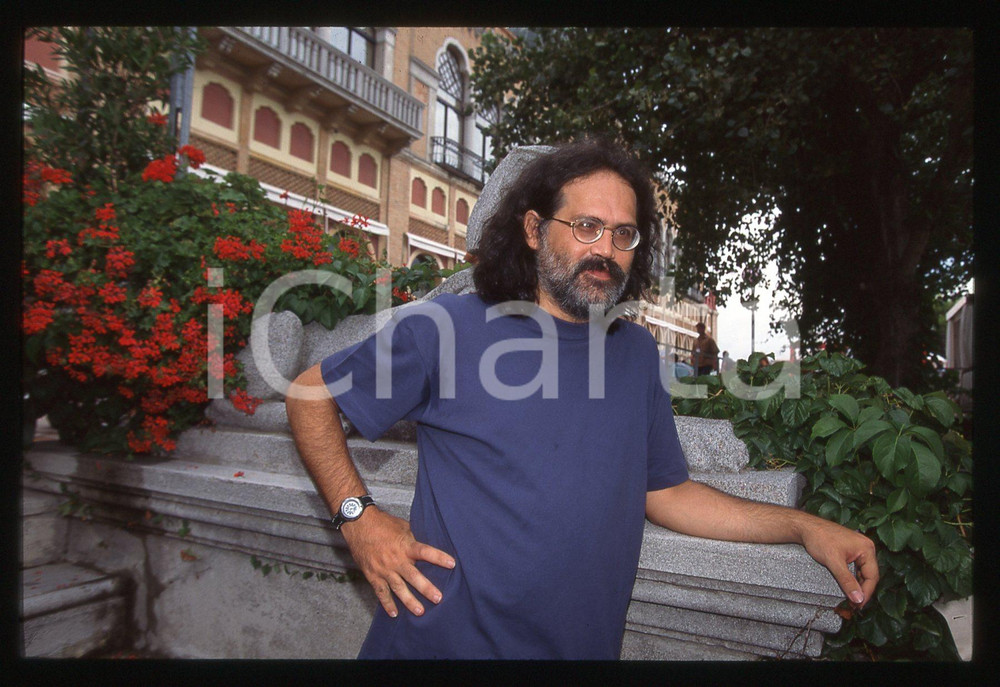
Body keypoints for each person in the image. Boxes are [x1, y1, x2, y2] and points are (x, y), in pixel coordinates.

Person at [285, 139, 878, 660]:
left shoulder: (637, 354)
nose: (607, 250)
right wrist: (359, 520)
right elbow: (310, 395)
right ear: (534, 229)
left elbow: (667, 493)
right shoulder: (447, 327)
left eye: (624, 234)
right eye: (587, 227)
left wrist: (803, 528)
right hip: (439, 644)